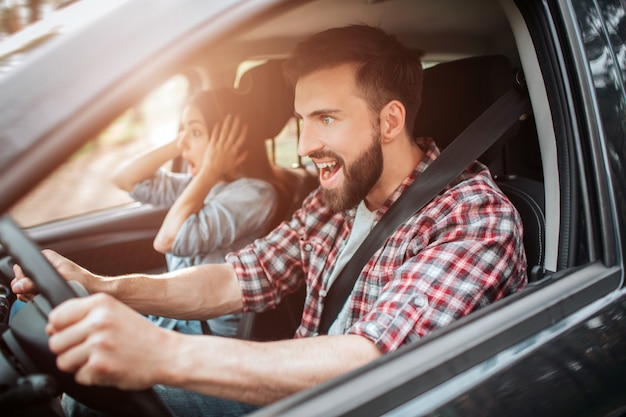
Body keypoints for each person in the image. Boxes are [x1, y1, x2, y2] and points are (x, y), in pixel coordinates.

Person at [11, 24, 527, 417]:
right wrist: (104, 287)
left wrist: (163, 352)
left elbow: (371, 360)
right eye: (302, 121)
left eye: (326, 118)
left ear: (389, 120)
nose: (304, 147)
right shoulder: (335, 202)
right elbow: (238, 277)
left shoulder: (474, 217)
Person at [109, 89, 280, 337]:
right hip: (173, 316)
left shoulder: (255, 195)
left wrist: (210, 170)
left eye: (197, 132)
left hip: (205, 330)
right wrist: (181, 142)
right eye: (183, 131)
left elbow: (167, 240)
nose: (184, 144)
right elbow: (124, 179)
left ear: (230, 143)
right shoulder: (198, 185)